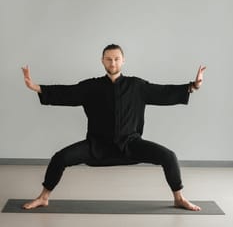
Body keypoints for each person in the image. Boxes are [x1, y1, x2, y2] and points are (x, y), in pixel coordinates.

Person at [21, 44, 206, 211]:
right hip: (96, 145)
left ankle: (179, 198)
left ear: (123, 61)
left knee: (169, 156)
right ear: (102, 61)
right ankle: (43, 197)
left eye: (116, 59)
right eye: (108, 59)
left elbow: (163, 92)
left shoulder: (137, 86)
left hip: (131, 144)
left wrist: (193, 86)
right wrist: (37, 87)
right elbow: (67, 93)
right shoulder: (91, 86)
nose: (113, 62)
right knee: (60, 158)